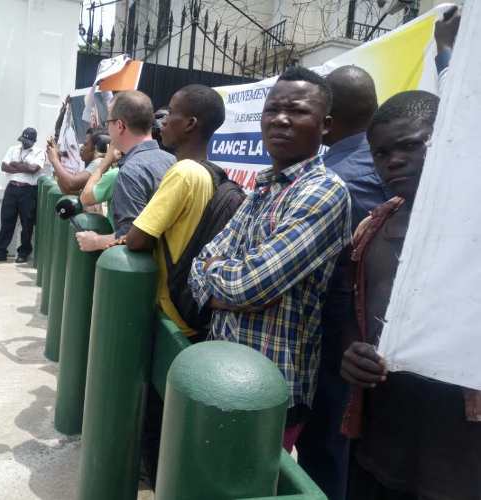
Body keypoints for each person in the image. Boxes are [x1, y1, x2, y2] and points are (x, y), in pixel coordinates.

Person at [189, 67, 351, 451]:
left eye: (296, 111)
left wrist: (223, 282)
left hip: (270, 392)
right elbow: (202, 262)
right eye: (272, 109)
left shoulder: (324, 192)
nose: (280, 119)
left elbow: (252, 285)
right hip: (220, 368)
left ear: (324, 125)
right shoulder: (263, 186)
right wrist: (223, 285)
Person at [340, 89, 481, 500]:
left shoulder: (471, 226)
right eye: (381, 153)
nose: (393, 161)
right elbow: (354, 313)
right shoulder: (372, 228)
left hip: (460, 459)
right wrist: (352, 353)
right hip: (381, 443)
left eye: (409, 146)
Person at [295, 65, 387, 500]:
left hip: (339, 346)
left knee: (328, 462)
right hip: (351, 346)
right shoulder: (358, 163)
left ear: (328, 118)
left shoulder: (343, 180)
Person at [125, 84, 224, 337]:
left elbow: (137, 240)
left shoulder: (183, 173)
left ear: (190, 123)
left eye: (171, 113)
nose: (164, 121)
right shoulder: (210, 172)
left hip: (170, 318)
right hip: (194, 314)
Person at [75, 90, 175, 252]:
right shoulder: (172, 161)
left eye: (108, 123)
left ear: (120, 126)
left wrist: (96, 241)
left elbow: (131, 236)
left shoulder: (131, 171)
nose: (107, 129)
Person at [0, 127, 45, 263]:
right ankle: (0, 252)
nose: (24, 143)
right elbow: (4, 166)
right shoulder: (13, 149)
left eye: (27, 141)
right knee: (6, 222)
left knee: (27, 224)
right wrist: (23, 167)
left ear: (33, 141)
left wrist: (15, 165)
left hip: (28, 191)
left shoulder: (39, 152)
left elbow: (33, 169)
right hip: (12, 189)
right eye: (23, 140)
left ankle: (23, 253)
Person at [48, 127, 109, 195]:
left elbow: (71, 184)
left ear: (95, 148)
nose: (82, 148)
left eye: (85, 144)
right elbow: (67, 190)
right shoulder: (96, 163)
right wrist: (57, 161)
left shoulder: (99, 162)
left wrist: (55, 160)